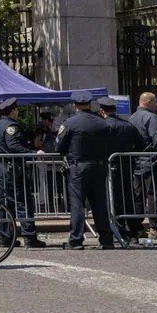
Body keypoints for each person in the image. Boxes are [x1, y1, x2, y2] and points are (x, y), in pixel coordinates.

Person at [56, 90, 114, 250]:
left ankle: (76, 239)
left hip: (78, 167)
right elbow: (110, 144)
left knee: (77, 204)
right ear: (90, 104)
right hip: (99, 166)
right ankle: (107, 239)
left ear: (75, 106)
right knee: (100, 204)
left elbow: (60, 147)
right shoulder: (102, 122)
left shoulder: (70, 123)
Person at [0, 97, 46, 248]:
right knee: (22, 201)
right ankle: (29, 236)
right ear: (12, 110)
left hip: (1, 168)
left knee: (4, 203)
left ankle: (5, 237)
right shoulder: (11, 126)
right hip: (11, 168)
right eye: (16, 109)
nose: (18, 112)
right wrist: (33, 153)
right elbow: (13, 146)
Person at [99, 97, 147, 242]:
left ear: (102, 110)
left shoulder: (101, 126)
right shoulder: (128, 126)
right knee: (128, 198)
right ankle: (133, 231)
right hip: (126, 166)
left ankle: (119, 231)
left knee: (112, 200)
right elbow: (141, 146)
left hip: (107, 167)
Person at [129, 92, 157, 239]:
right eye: (155, 102)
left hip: (136, 161)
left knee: (138, 195)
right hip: (151, 161)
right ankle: (155, 226)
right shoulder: (152, 118)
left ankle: (137, 226)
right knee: (154, 194)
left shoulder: (131, 117)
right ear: (148, 102)